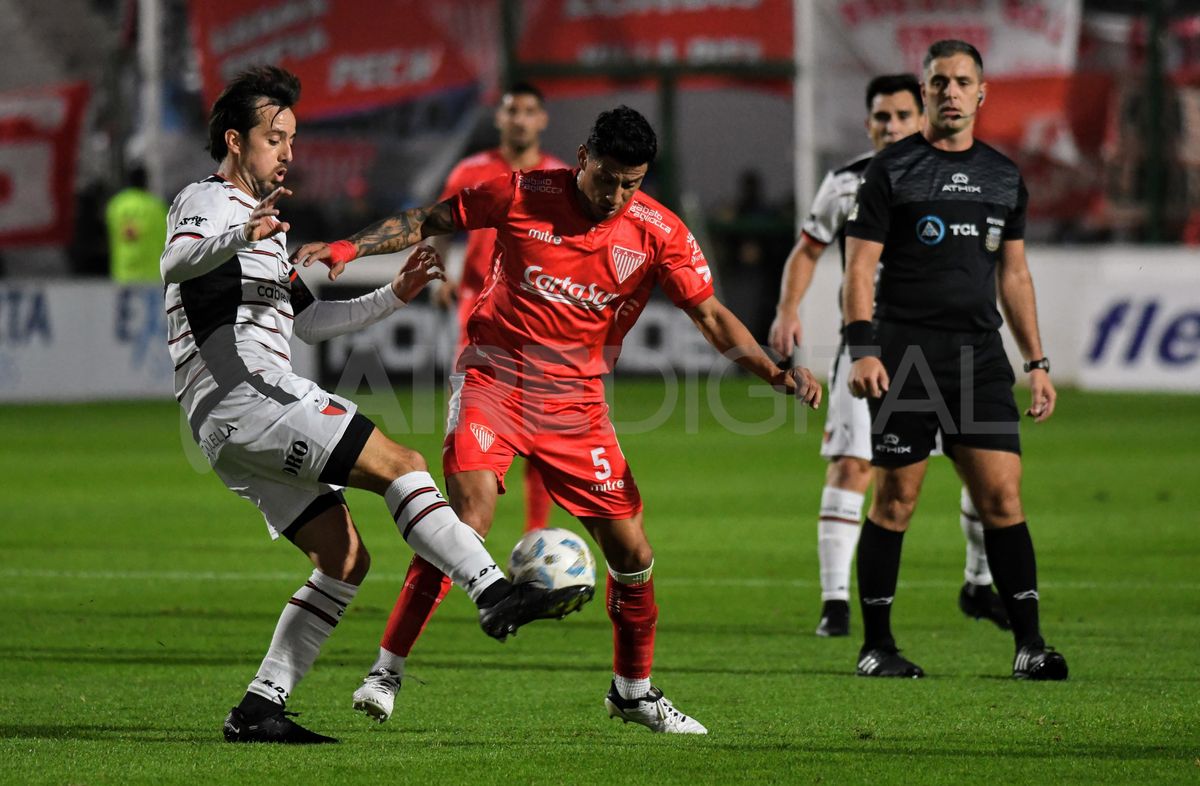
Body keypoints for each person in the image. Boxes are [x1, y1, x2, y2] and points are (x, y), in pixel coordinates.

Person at [294, 106, 823, 733]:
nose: (616, 195)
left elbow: (709, 315)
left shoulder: (660, 233)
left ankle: (633, 691)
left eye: (632, 183)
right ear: (581, 157)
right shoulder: (521, 194)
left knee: (634, 555)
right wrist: (349, 247)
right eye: (606, 178)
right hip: (494, 378)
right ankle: (385, 671)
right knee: (467, 518)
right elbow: (427, 219)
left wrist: (774, 371)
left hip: (578, 406)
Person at [161, 65, 592, 745]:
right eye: (277, 138)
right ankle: (492, 591)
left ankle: (259, 708)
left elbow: (307, 322)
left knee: (343, 557)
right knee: (403, 463)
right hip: (245, 391)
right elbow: (177, 263)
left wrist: (393, 293)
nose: (288, 151)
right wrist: (240, 236)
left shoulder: (265, 225)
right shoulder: (208, 201)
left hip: (228, 418)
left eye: (293, 138)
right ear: (237, 141)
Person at [842, 40, 1067, 680]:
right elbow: (859, 269)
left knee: (1002, 496)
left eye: (962, 81)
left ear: (981, 91)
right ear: (925, 91)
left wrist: (1038, 360)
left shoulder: (1003, 175)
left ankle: (1029, 646)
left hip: (979, 356)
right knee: (896, 500)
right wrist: (863, 348)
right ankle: (876, 645)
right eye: (939, 81)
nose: (950, 92)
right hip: (905, 352)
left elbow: (1015, 275)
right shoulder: (891, 171)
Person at [769, 74, 1009, 638]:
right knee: (853, 466)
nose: (892, 126)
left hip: (950, 347)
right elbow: (807, 249)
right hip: (870, 349)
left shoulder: (958, 179)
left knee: (981, 471)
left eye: (902, 115)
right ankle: (835, 602)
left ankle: (977, 582)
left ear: (921, 113)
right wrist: (788, 309)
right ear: (869, 121)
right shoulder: (847, 182)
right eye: (882, 117)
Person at [429, 82, 568, 535]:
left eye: (530, 110)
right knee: (469, 415)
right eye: (513, 111)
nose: (521, 119)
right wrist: (440, 269)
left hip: (539, 316)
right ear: (500, 118)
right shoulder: (472, 169)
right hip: (478, 311)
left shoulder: (562, 178)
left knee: (544, 425)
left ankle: (535, 535)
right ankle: (465, 527)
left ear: (543, 119)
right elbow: (441, 224)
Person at [107, 165, 169, 282]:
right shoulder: (156, 206)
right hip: (152, 272)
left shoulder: (117, 204)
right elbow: (166, 235)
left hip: (123, 271)